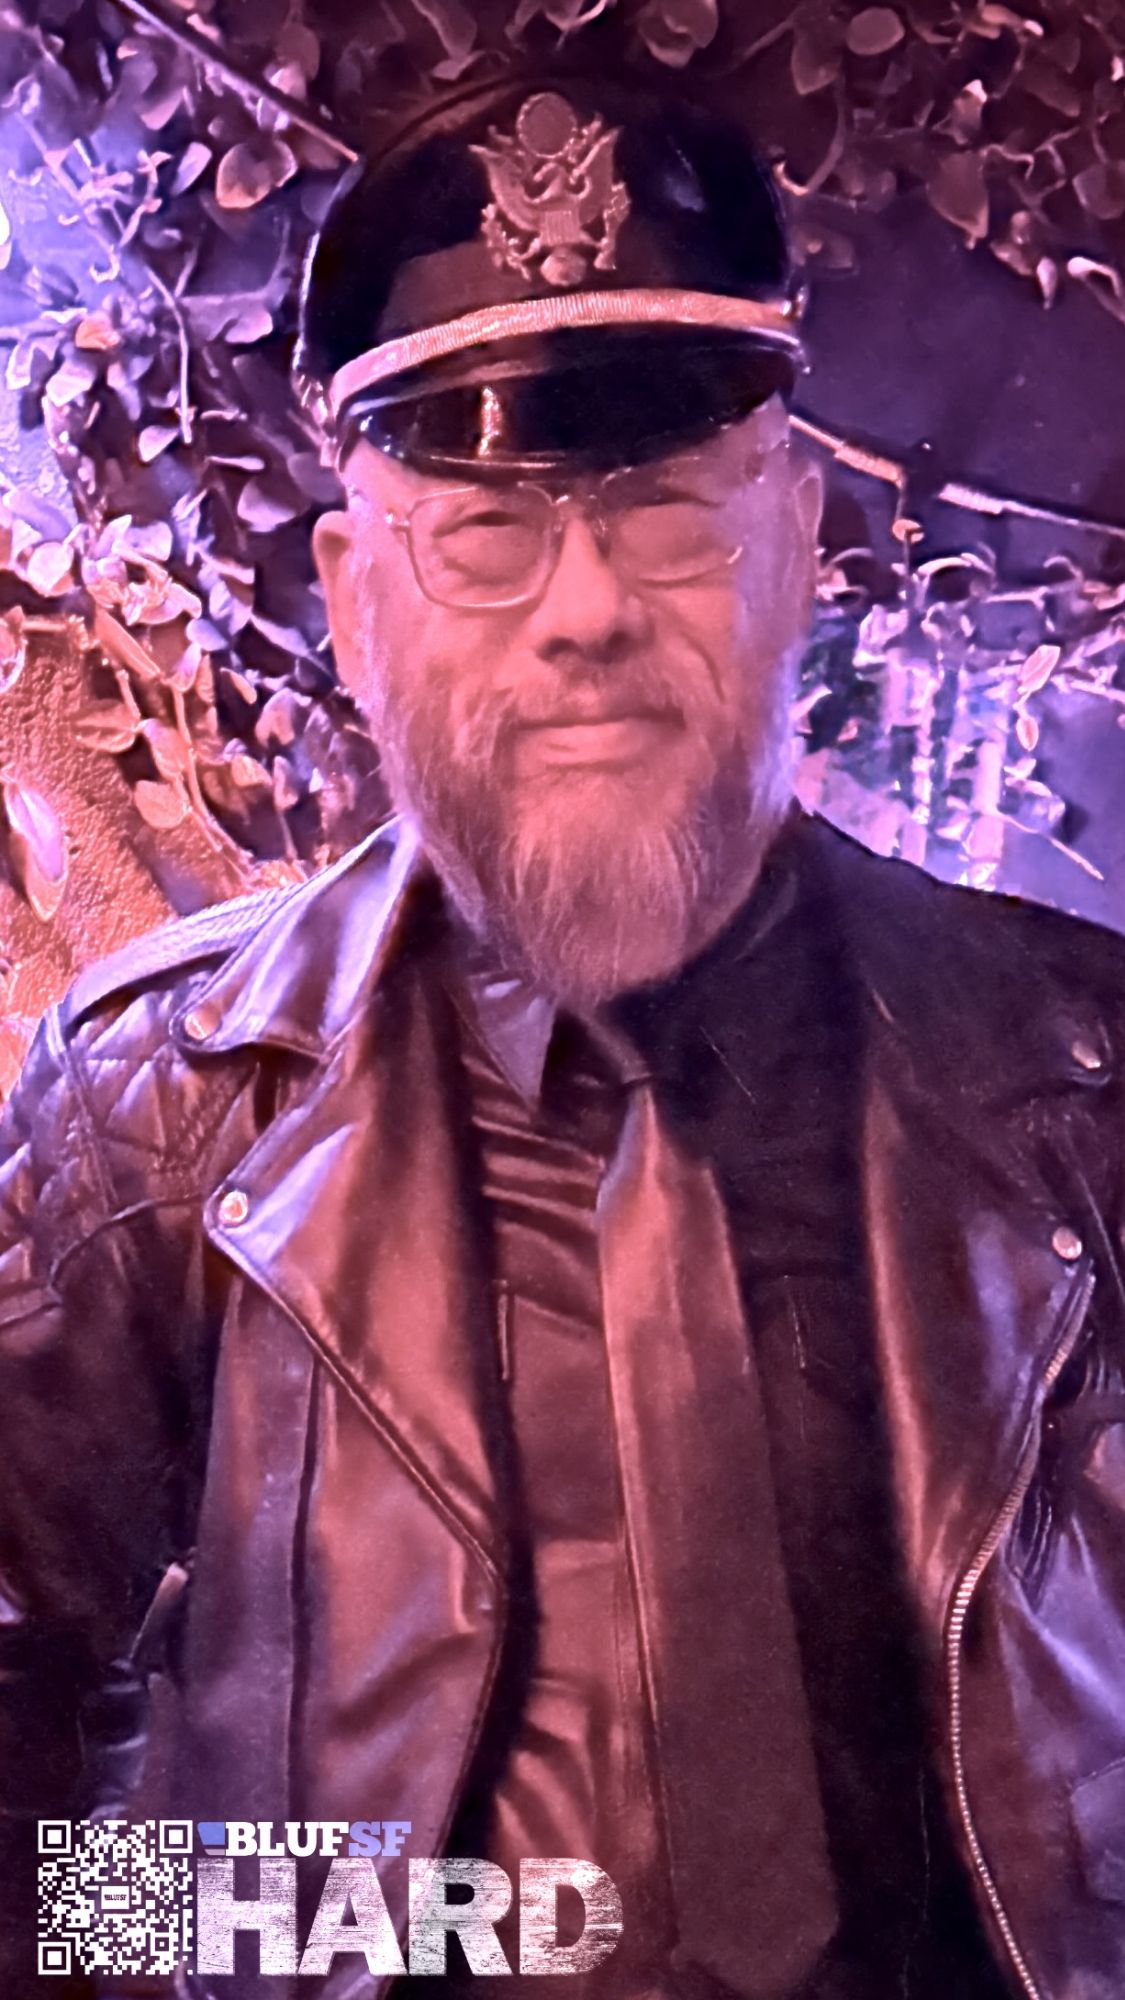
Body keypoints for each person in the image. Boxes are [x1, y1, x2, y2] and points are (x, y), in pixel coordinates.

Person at [1, 62, 1124, 2000]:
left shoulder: (1083, 1083)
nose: (585, 609)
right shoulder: (154, 1121)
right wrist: (418, 1917)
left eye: (666, 511)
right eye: (485, 534)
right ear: (354, 602)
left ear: (795, 544)